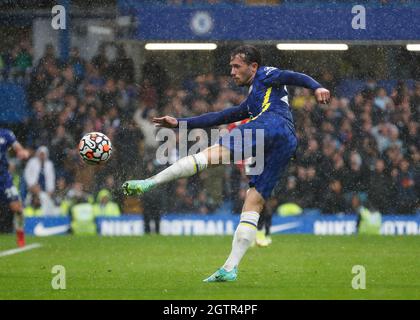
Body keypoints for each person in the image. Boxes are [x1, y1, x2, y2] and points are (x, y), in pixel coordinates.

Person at [122, 45, 330, 282]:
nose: (232, 72)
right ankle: (230, 268)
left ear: (253, 66)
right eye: (231, 66)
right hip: (286, 140)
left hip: (270, 126)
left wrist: (316, 86)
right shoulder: (255, 97)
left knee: (210, 155)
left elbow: (291, 75)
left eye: (236, 66)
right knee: (254, 201)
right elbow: (219, 117)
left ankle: (151, 182)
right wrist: (179, 122)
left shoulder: (265, 74)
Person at [0, 128, 30, 247]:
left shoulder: (5, 134)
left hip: (4, 178)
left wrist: (22, 152)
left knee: (17, 208)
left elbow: (18, 147)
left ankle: (20, 238)